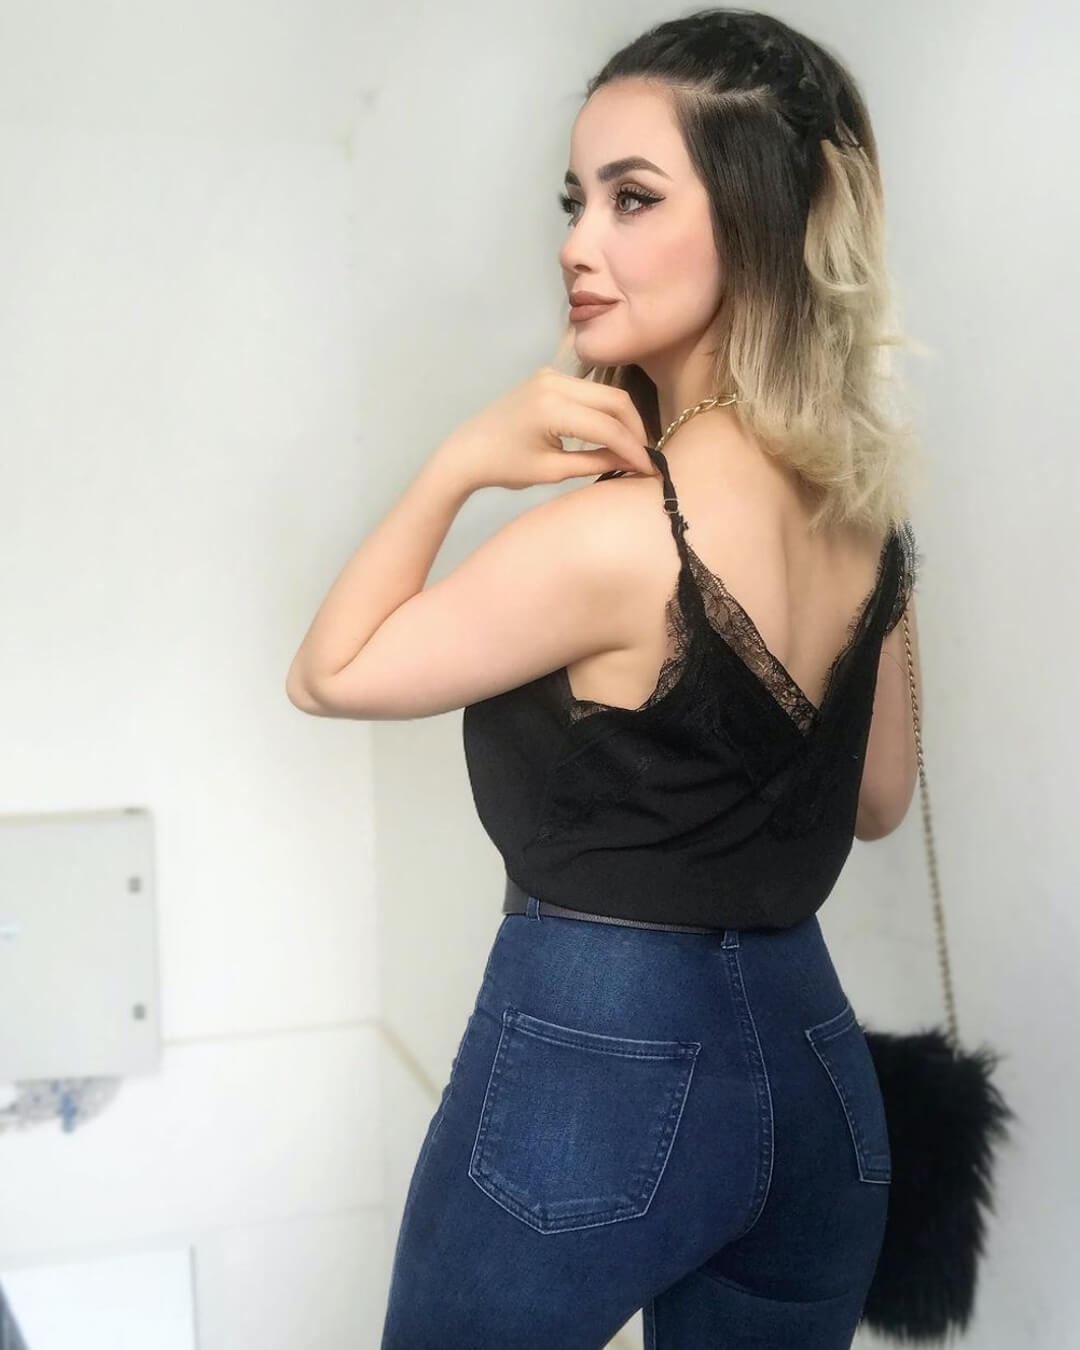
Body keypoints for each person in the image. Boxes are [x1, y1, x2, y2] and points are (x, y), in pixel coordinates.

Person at [289, 10, 925, 1348]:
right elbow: (877, 802)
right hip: (817, 1072)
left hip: (594, 1064)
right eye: (576, 200)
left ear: (757, 219)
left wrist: (461, 460)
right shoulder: (866, 515)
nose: (580, 242)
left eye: (633, 198)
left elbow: (329, 670)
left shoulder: (616, 538)